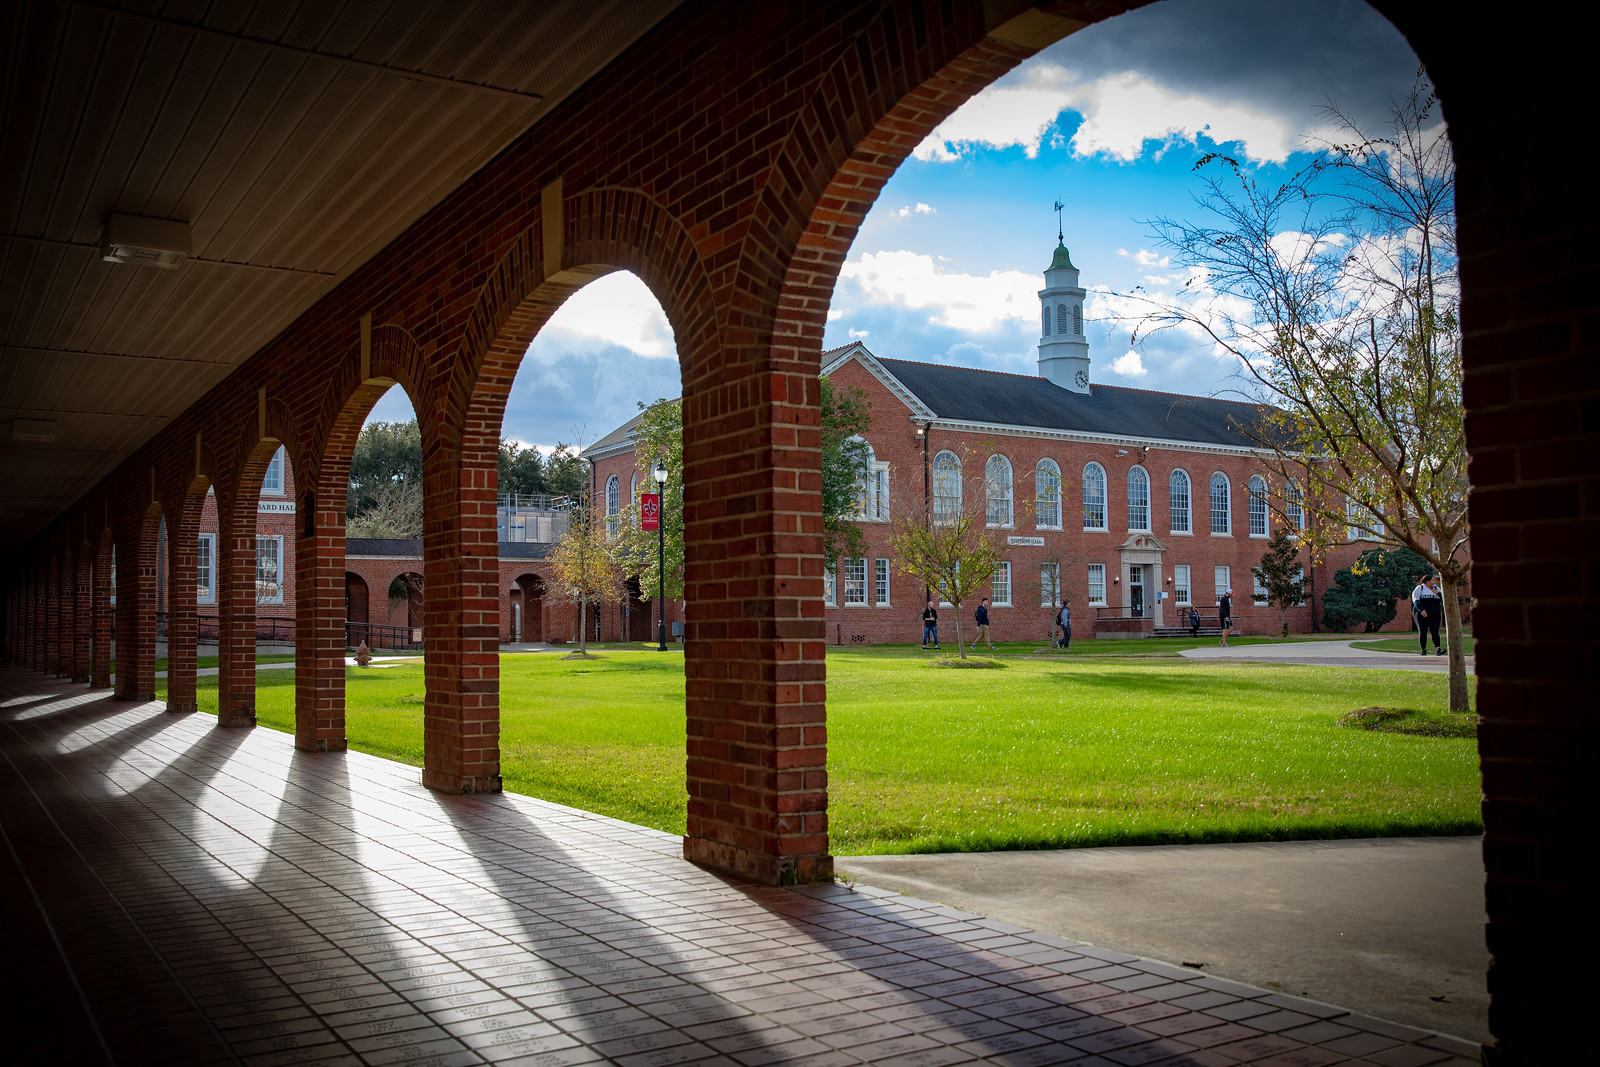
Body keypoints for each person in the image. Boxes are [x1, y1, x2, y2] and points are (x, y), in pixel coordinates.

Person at [1412, 573, 1444, 656]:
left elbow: (1443, 600)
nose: (1434, 582)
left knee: (1435, 631)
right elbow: (1415, 600)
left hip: (1435, 614)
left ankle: (1438, 649)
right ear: (1427, 581)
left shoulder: (1436, 589)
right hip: (1422, 614)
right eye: (1432, 580)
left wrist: (1438, 594)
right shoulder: (1420, 588)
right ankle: (1423, 649)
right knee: (1423, 631)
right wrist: (1421, 610)